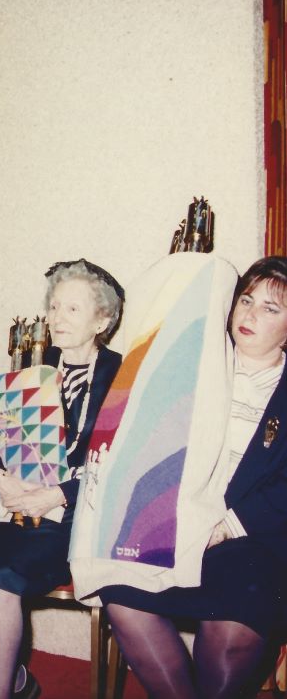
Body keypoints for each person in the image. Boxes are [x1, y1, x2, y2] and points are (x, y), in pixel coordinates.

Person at [98, 256, 287, 699]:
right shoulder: (195, 365)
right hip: (178, 526)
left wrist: (225, 526)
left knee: (235, 621)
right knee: (120, 593)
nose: (250, 314)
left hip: (253, 537)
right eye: (246, 299)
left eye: (270, 308)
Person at [0, 259, 124, 699]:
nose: (56, 319)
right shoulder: (32, 365)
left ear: (102, 319)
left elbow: (117, 463)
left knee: (4, 583)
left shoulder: (120, 376)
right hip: (17, 507)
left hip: (75, 518)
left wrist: (53, 495)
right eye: (53, 307)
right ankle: (19, 680)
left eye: (72, 309)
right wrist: (0, 477)